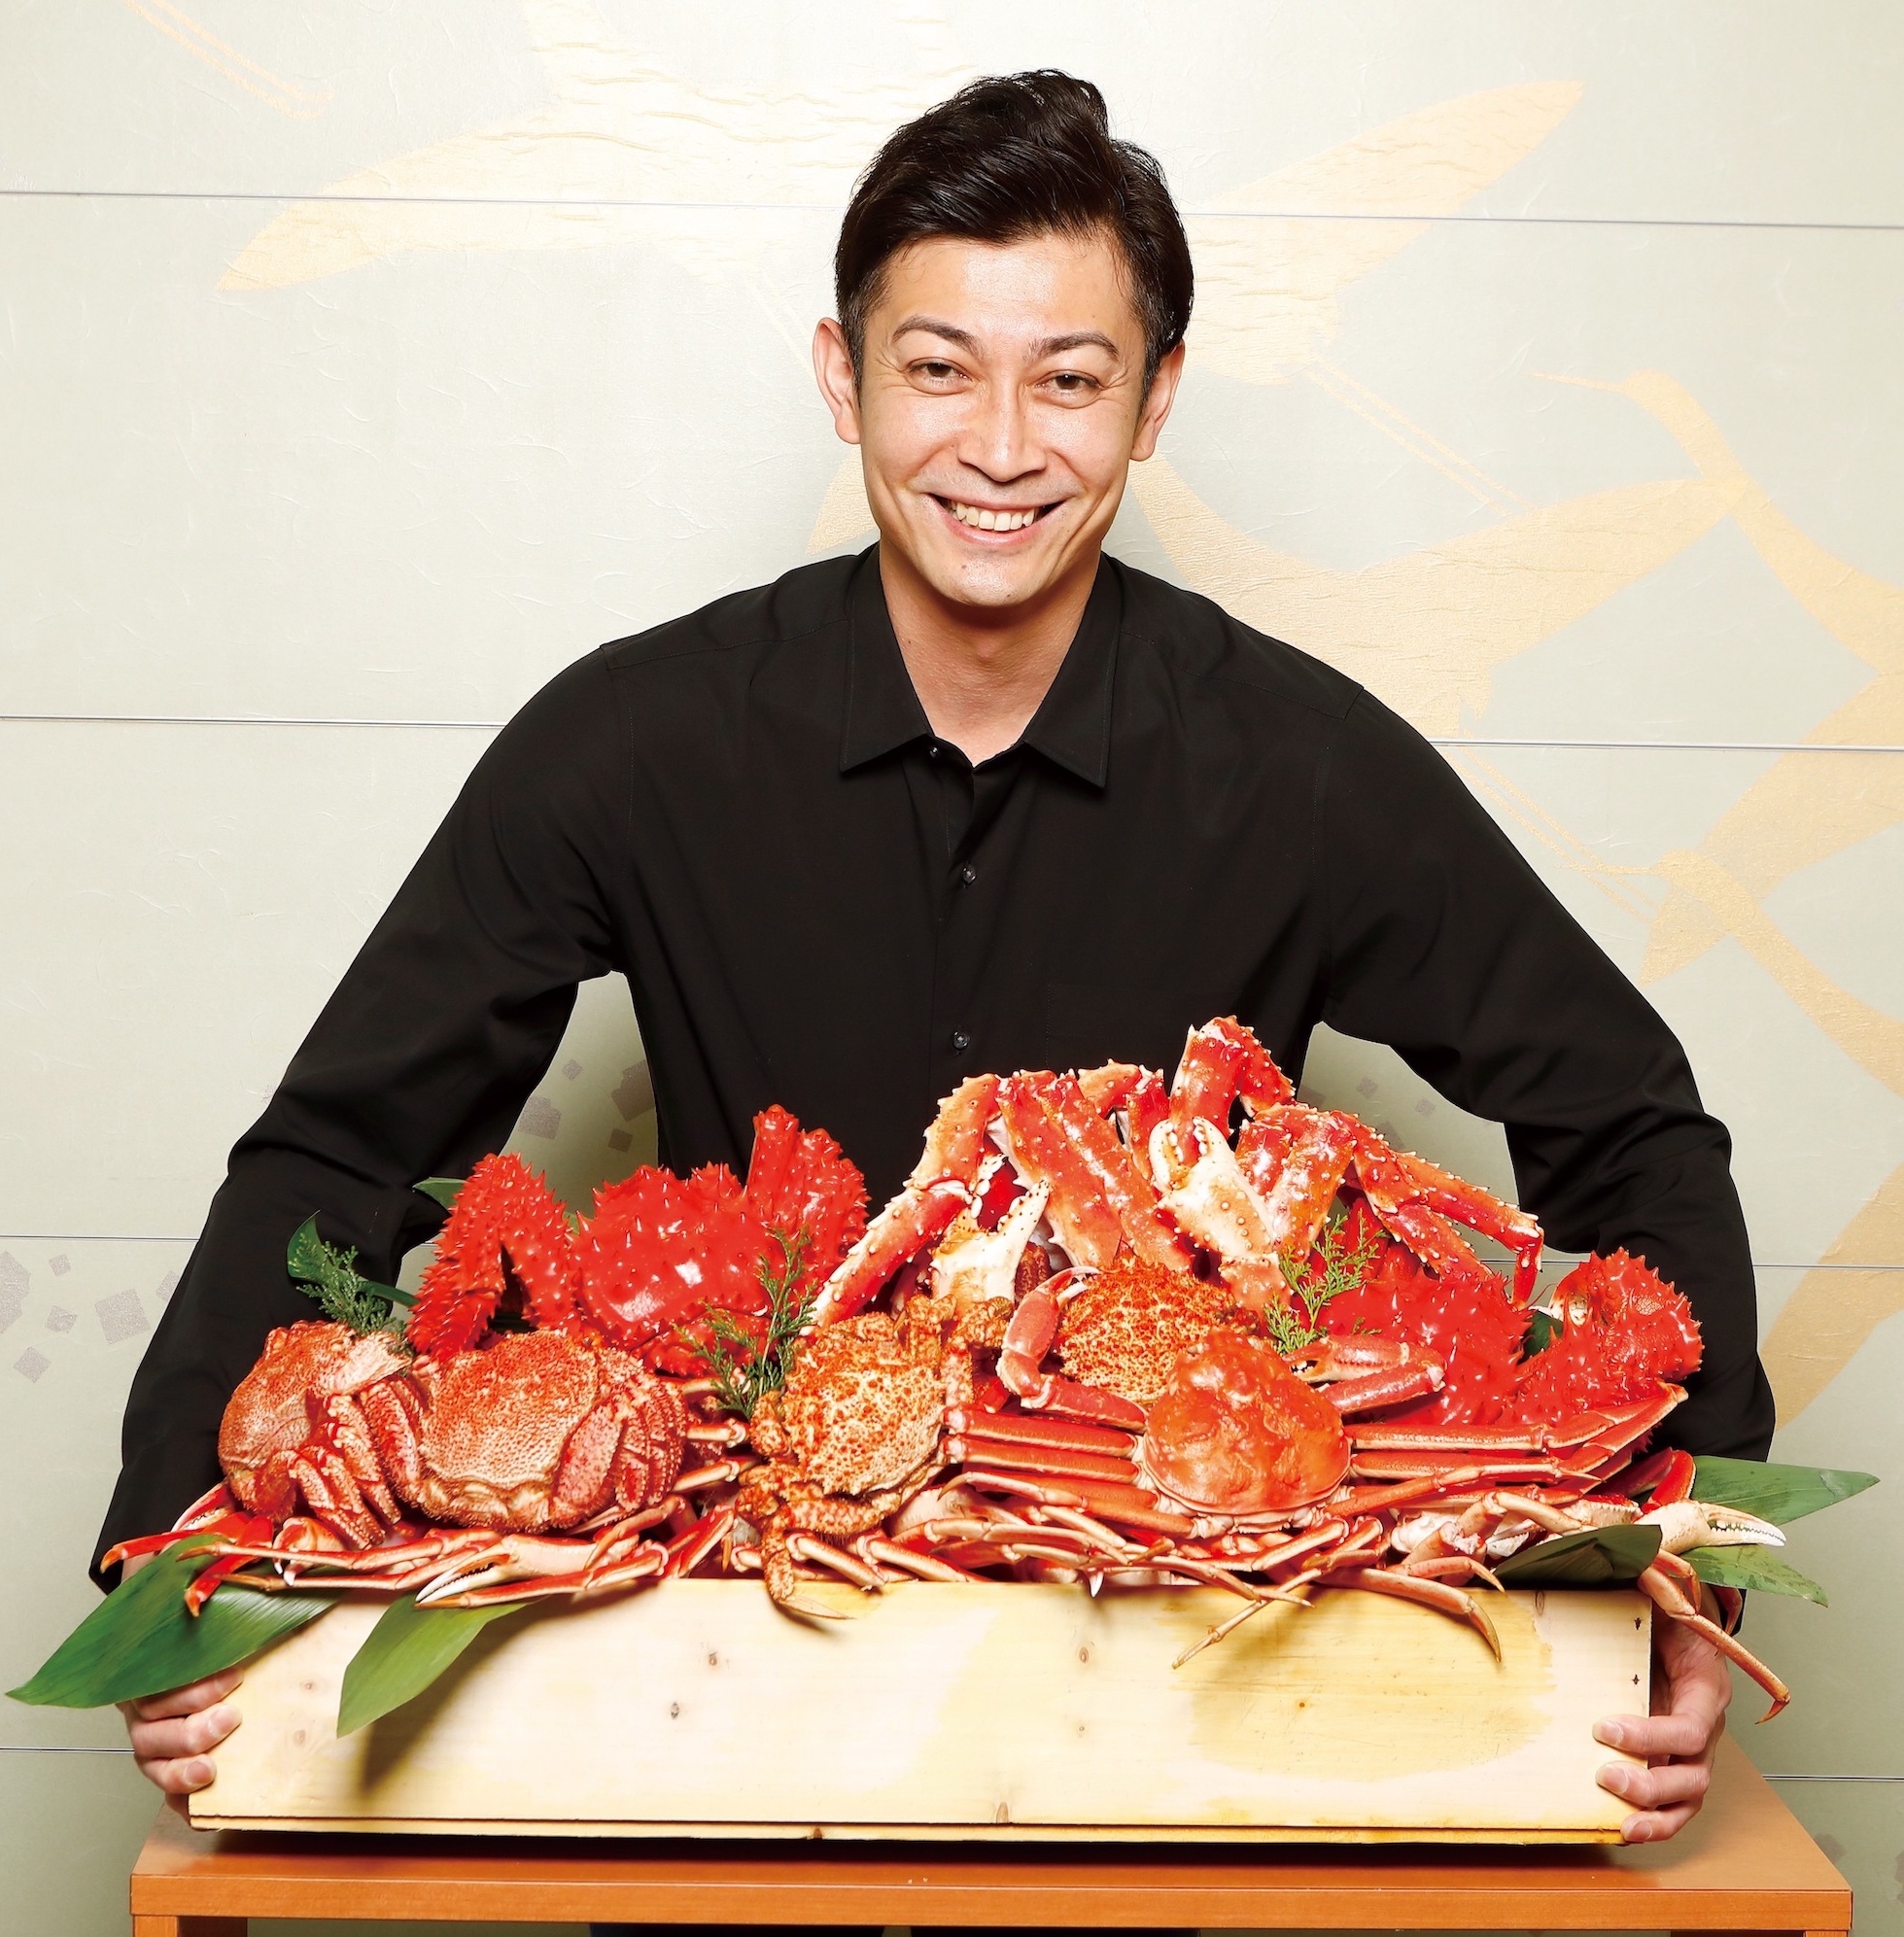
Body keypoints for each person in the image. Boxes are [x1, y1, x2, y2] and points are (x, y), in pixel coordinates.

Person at [105, 71, 1769, 1849]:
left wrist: (1694, 1566)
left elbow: (1630, 1120)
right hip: (715, 1678)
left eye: (1069, 379)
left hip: (1177, 1699)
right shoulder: (635, 740)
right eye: (937, 368)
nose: (998, 445)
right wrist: (160, 1551)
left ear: (1154, 400)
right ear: (843, 377)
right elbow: (344, 1143)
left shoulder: (1296, 766)